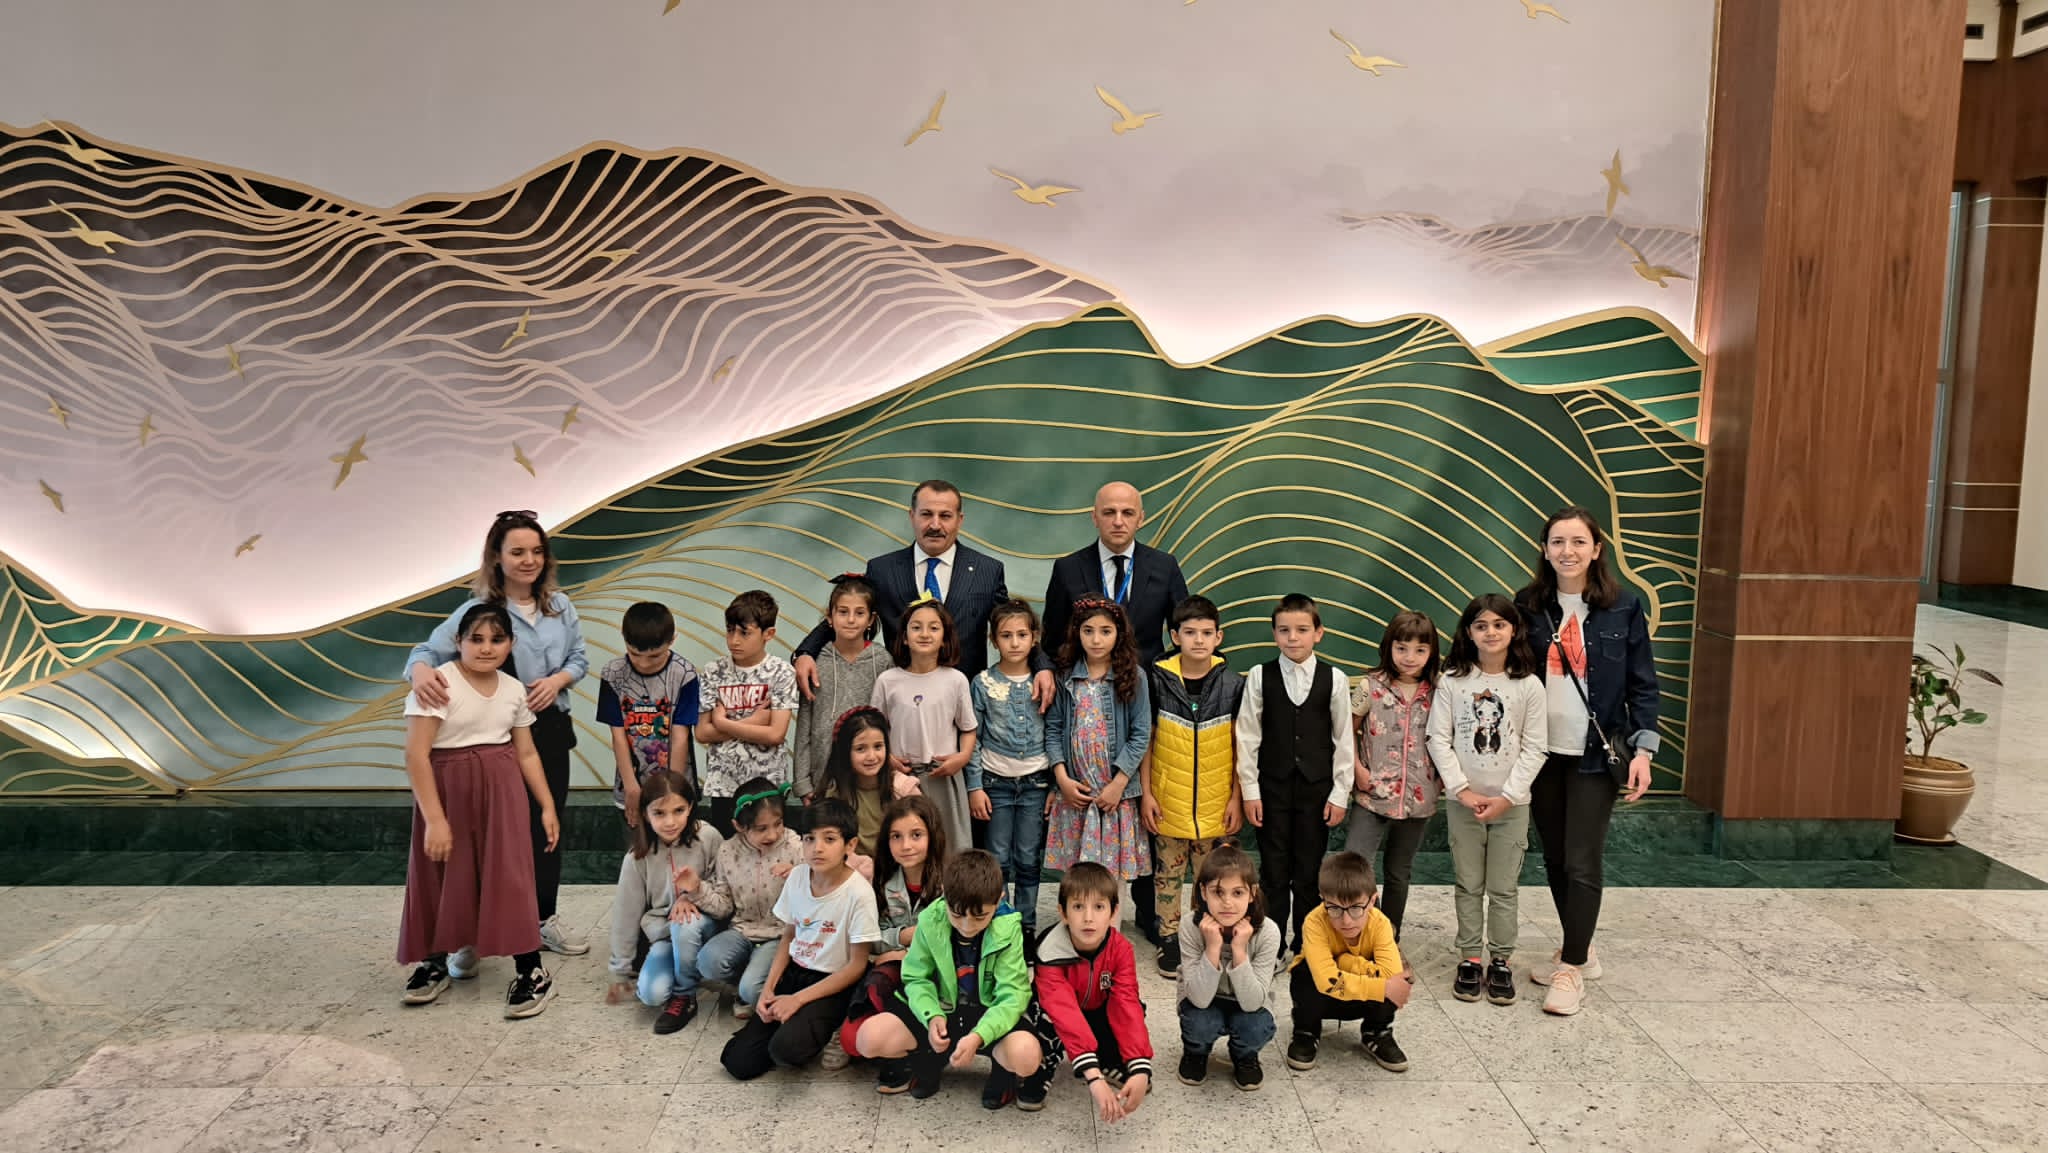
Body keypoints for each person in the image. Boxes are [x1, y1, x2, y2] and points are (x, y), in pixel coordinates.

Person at [405, 510, 590, 959]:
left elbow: (580, 659)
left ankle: (542, 919)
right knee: (487, 837)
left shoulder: (560, 606)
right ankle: (472, 930)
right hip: (495, 736)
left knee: (545, 827)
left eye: (537, 551)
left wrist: (557, 681)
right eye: (517, 552)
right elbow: (425, 651)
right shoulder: (479, 611)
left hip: (548, 729)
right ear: (497, 557)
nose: (529, 561)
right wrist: (420, 672)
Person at [1516, 506, 1659, 1016]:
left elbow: (1643, 684)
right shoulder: (1529, 605)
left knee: (1582, 859)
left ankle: (1571, 969)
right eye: (1558, 542)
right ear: (1545, 549)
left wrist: (1644, 751)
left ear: (1597, 549)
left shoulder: (1624, 606)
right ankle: (1578, 948)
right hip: (1542, 753)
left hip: (1597, 754)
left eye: (1578, 542)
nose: (1568, 551)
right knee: (1555, 857)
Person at [1040, 481, 1191, 943]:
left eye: (1127, 512)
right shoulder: (1068, 569)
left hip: (1143, 700)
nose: (1118, 520)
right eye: (1109, 512)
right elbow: (1050, 638)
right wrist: (1048, 673)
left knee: (1141, 812)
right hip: (1081, 698)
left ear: (1141, 517)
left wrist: (1168, 684)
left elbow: (1182, 630)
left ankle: (1147, 913)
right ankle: (1083, 915)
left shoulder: (1164, 566)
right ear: (1095, 516)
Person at [396, 603, 561, 1019]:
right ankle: (434, 960)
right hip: (447, 794)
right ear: (458, 641)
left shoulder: (513, 689)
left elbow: (527, 753)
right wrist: (435, 820)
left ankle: (531, 968)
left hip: (502, 794)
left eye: (497, 639)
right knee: (441, 873)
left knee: (511, 875)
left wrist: (546, 805)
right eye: (476, 639)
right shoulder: (438, 684)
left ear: (511, 644)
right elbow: (416, 755)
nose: (486, 648)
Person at [793, 479, 1041, 691]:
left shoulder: (987, 570)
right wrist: (806, 652)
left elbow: (1012, 623)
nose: (935, 525)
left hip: (966, 700)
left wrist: (1042, 668)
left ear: (959, 520)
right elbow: (851, 616)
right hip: (902, 700)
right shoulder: (883, 570)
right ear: (911, 516)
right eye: (926, 514)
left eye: (945, 516)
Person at [1429, 595, 1546, 1007]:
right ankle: (1470, 957)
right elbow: (1438, 738)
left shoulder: (1528, 685)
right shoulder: (1452, 681)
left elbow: (1535, 747)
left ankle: (1500, 960)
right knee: (1468, 883)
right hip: (1463, 804)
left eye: (1499, 624)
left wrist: (1508, 797)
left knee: (1503, 888)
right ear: (1469, 632)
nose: (1491, 632)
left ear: (1514, 630)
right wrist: (1462, 790)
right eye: (1481, 625)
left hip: (1512, 806)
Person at [720, 797, 882, 1080]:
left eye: (829, 839)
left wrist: (797, 1000)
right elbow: (788, 936)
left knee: (786, 1050)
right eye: (809, 839)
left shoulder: (859, 893)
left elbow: (857, 965)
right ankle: (790, 1025)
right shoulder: (797, 877)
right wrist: (769, 989)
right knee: (737, 1061)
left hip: (835, 982)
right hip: (796, 973)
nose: (817, 848)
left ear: (850, 845)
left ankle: (836, 1023)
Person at [870, 850, 1044, 1107]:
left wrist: (980, 1035)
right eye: (957, 914)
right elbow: (916, 978)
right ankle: (928, 1057)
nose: (967, 925)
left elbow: (1013, 995)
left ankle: (1002, 1071)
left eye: (980, 916)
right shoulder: (930, 920)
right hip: (943, 1010)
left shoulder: (1009, 928)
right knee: (870, 1038)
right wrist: (931, 1016)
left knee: (1026, 1056)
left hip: (987, 1014)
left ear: (999, 899)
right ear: (944, 893)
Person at [1233, 593, 1354, 950]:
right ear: (1274, 634)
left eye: (1302, 629)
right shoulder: (1260, 676)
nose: (1293, 637)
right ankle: (1271, 947)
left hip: (1317, 791)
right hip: (1271, 789)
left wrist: (1340, 792)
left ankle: (1306, 945)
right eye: (1284, 630)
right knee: (1273, 871)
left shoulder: (1335, 678)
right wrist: (1250, 791)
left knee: (1308, 872)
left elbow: (1343, 739)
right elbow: (1247, 736)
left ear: (1318, 633)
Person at [1139, 594, 1245, 977]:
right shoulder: (1156, 681)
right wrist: (1147, 794)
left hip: (1216, 805)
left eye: (1206, 632)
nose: (1198, 640)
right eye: (1189, 632)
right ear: (1175, 636)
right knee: (1167, 876)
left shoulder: (1233, 685)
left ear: (1219, 637)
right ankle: (1169, 939)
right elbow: (1147, 740)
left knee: (1214, 878)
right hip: (1168, 801)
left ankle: (1208, 934)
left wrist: (1236, 797)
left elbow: (1241, 746)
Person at [1024, 861, 1154, 1119]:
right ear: (1063, 913)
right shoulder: (1049, 950)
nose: (1088, 918)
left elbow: (1126, 1004)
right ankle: (1043, 1066)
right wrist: (1093, 1078)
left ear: (1114, 912)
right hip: (1059, 1016)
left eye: (1099, 907)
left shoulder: (1121, 949)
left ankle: (1108, 1059)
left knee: (1134, 1008)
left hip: (1094, 1007)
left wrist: (1140, 1065)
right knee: (1045, 1019)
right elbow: (1064, 1012)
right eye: (1078, 907)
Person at [1044, 597, 1154, 890]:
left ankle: (1111, 922)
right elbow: (1053, 730)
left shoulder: (1134, 677)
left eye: (1105, 631)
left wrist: (1118, 784)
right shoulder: (1065, 677)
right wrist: (1062, 780)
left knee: (1111, 881)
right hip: (1075, 795)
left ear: (1119, 634)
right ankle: (1077, 920)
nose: (1096, 639)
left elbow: (1141, 734)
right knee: (1077, 876)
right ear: (1076, 633)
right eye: (1088, 631)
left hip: (1114, 797)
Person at [1345, 610, 1442, 940]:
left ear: (1431, 652)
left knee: (1399, 872)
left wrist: (1441, 780)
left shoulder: (1439, 691)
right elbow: (1345, 730)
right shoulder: (1370, 686)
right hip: (1371, 793)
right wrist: (1357, 769)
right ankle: (1356, 936)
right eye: (1402, 648)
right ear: (1389, 647)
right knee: (1357, 865)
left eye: (1420, 650)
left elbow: (1448, 737)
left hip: (1419, 797)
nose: (1409, 657)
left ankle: (1389, 939)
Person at [843, 794, 951, 1091]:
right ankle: (904, 1047)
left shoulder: (951, 882)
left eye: (916, 835)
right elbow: (871, 938)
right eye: (896, 836)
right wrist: (902, 937)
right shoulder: (880, 881)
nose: (906, 845)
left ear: (933, 836)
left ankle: (921, 1055)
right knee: (853, 1041)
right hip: (892, 973)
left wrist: (904, 953)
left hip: (937, 981)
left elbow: (959, 940)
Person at [605, 770, 723, 1033]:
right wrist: (620, 970)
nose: (670, 822)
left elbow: (725, 886)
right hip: (665, 935)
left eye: (678, 811)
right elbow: (626, 914)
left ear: (690, 807)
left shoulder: (709, 837)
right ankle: (683, 968)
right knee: (651, 994)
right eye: (659, 813)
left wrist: (691, 895)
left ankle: (684, 994)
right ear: (645, 813)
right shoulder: (637, 857)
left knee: (685, 922)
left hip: (705, 926)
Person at [969, 600, 1054, 943]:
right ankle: (1000, 922)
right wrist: (975, 786)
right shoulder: (982, 683)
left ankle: (1027, 925)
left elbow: (1056, 732)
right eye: (1006, 635)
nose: (1015, 642)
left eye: (1022, 634)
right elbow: (972, 738)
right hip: (995, 784)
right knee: (999, 857)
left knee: (1029, 856)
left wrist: (1056, 786)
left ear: (1035, 637)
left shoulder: (1045, 681)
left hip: (1036, 783)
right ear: (994, 640)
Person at [1284, 851, 1411, 1074]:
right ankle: (1306, 1029)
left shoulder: (1380, 923)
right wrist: (1378, 984)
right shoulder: (1314, 921)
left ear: (1372, 901)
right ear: (1323, 899)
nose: (1346, 920)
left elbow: (1392, 977)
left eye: (1355, 908)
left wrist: (1347, 962)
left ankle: (1376, 1030)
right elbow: (1327, 981)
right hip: (1325, 996)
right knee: (1304, 972)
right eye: (1334, 908)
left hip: (1359, 996)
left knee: (1401, 979)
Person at [871, 597, 979, 854]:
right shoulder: (887, 680)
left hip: (944, 777)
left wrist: (963, 757)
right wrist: (887, 757)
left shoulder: (956, 680)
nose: (924, 634)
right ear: (904, 637)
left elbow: (968, 728)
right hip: (902, 779)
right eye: (916, 627)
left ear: (945, 638)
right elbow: (875, 728)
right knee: (906, 847)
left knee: (949, 847)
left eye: (934, 628)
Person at [694, 777, 803, 1017]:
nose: (773, 834)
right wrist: (696, 890)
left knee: (752, 990)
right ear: (739, 825)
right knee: (708, 962)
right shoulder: (727, 851)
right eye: (761, 829)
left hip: (780, 934)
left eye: (778, 824)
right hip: (742, 930)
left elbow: (819, 890)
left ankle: (757, 985)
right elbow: (724, 906)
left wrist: (799, 875)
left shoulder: (795, 846)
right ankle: (747, 981)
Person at [1176, 844, 1283, 1090]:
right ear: (1203, 892)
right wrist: (1213, 947)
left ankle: (1244, 1055)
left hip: (1248, 1003)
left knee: (1255, 1026)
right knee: (1200, 1022)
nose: (1227, 903)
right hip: (1204, 1001)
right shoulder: (1190, 926)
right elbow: (1198, 999)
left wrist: (1239, 951)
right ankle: (1196, 1052)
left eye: (1237, 893)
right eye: (1217, 892)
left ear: (1252, 893)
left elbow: (1253, 1003)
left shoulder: (1268, 932)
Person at [694, 590, 799, 833]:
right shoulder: (713, 671)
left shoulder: (781, 673)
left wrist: (723, 723)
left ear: (768, 634)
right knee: (727, 849)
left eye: (744, 632)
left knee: (769, 847)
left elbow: (775, 734)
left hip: (767, 784)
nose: (734, 640)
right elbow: (702, 733)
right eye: (730, 630)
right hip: (724, 784)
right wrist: (754, 721)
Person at [596, 602, 700, 829]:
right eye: (634, 654)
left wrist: (672, 791)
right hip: (632, 785)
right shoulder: (612, 673)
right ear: (623, 637)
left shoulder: (685, 674)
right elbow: (618, 736)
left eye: (654, 656)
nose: (643, 663)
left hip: (676, 783)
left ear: (672, 640)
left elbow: (680, 737)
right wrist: (631, 787)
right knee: (637, 846)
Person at [793, 575, 893, 806]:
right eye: (843, 612)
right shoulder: (814, 662)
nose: (850, 620)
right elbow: (805, 723)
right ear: (829, 617)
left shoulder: (883, 661)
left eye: (859, 613)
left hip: (871, 781)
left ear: (871, 619)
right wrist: (802, 783)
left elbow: (890, 721)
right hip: (823, 779)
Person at [815, 706, 919, 860]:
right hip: (852, 869)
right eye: (860, 749)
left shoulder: (903, 789)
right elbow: (831, 847)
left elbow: (922, 837)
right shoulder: (835, 793)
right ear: (845, 752)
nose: (871, 756)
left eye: (878, 746)